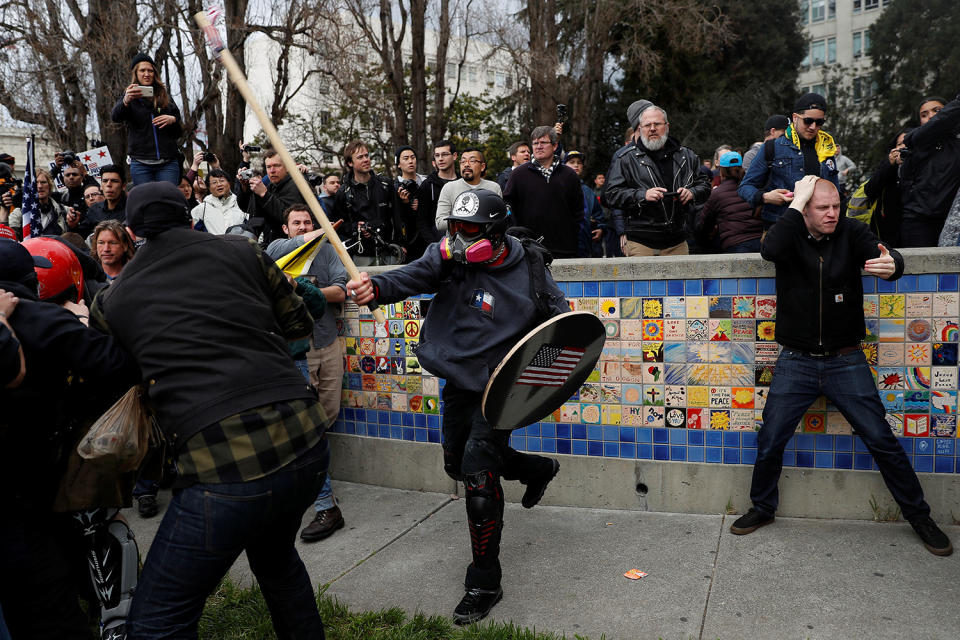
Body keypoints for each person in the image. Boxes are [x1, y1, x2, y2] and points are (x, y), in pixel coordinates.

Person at [91, 181, 330, 638]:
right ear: (189, 214)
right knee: (278, 563)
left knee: (158, 621)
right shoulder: (245, 253)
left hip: (222, 466)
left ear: (131, 230)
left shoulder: (112, 301)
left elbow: (112, 373)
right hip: (305, 441)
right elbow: (300, 322)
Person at [345, 189, 566, 625]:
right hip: (460, 378)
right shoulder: (446, 257)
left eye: (472, 231)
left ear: (496, 232)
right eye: (456, 229)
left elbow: (561, 335)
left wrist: (526, 384)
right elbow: (408, 277)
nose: (461, 239)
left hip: (500, 388)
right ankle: (537, 469)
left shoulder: (532, 270)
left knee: (479, 477)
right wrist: (374, 287)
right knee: (457, 463)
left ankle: (484, 581)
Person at [730, 175, 952, 557]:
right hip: (796, 360)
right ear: (805, 206)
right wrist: (797, 204)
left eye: (836, 206)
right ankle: (762, 507)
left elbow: (888, 256)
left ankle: (920, 517)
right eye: (822, 207)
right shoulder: (789, 232)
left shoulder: (851, 231)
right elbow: (771, 251)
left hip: (845, 359)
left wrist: (893, 264)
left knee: (881, 439)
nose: (832, 214)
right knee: (770, 441)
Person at [0, 239, 139, 640]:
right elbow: (119, 366)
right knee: (49, 599)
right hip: (35, 481)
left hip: (29, 482)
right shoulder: (48, 321)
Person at [265, 204, 349, 542]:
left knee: (326, 416)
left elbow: (341, 291)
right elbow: (273, 256)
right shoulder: (275, 250)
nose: (303, 227)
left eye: (308, 222)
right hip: (295, 351)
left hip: (325, 342)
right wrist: (315, 235)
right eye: (296, 223)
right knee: (305, 427)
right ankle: (322, 498)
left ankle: (314, 479)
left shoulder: (328, 251)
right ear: (286, 229)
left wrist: (302, 288)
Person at [603, 104, 710, 256]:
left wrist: (692, 192)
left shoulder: (687, 155)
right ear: (640, 129)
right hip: (640, 242)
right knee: (641, 281)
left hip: (677, 241)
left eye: (657, 124)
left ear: (667, 127)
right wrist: (642, 195)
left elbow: (705, 185)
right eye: (647, 125)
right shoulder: (626, 159)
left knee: (678, 281)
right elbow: (611, 195)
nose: (652, 128)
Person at [738, 93, 840, 229]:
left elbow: (835, 193)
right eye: (808, 121)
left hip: (818, 230)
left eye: (819, 122)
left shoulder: (826, 149)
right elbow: (745, 187)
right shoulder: (772, 147)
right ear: (795, 118)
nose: (813, 127)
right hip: (780, 226)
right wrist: (766, 197)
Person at [503, 125, 583, 258]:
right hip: (528, 249)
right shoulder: (518, 174)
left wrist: (573, 233)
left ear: (555, 146)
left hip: (565, 248)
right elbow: (508, 206)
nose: (539, 146)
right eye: (535, 143)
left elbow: (578, 211)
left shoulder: (569, 175)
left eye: (543, 142)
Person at [111, 52, 182, 186]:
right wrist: (126, 101)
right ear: (136, 73)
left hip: (167, 161)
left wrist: (172, 120)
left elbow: (179, 130)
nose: (147, 74)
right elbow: (115, 117)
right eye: (142, 70)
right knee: (146, 201)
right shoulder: (129, 96)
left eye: (150, 70)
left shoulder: (164, 96)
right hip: (141, 163)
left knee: (168, 200)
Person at [898, 93, 960, 247]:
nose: (931, 117)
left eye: (936, 111)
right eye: (924, 115)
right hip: (919, 222)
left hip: (951, 221)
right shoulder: (917, 139)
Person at [332, 140, 400, 262]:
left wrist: (401, 244)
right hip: (360, 255)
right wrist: (356, 228)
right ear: (350, 163)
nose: (366, 159)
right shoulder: (343, 193)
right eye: (360, 157)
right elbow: (339, 225)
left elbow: (398, 217)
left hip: (389, 251)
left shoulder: (385, 185)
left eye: (367, 155)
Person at [696, 151, 763, 253]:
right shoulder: (756, 187)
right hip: (762, 242)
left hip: (735, 246)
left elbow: (704, 225)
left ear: (721, 171)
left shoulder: (717, 193)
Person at [237, 149, 306, 244]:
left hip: (292, 244)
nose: (272, 171)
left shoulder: (296, 185)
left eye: (276, 166)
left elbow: (288, 217)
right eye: (268, 167)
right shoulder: (271, 186)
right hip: (272, 242)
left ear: (288, 167)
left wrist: (264, 194)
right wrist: (245, 188)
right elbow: (248, 209)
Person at [435, 147, 502, 232]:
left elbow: (499, 220)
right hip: (456, 241)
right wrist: (470, 222)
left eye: (472, 161)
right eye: (463, 161)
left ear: (482, 166)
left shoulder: (494, 188)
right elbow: (440, 223)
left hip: (487, 241)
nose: (466, 164)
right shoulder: (449, 188)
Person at [862, 129, 911, 246]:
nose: (903, 147)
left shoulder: (924, 165)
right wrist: (889, 164)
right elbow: (869, 190)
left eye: (908, 142)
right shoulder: (889, 166)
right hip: (888, 232)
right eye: (899, 144)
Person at [563, 150, 607, 257]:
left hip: (586, 244)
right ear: (563, 165)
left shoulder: (588, 191)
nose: (576, 165)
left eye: (579, 162)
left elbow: (598, 214)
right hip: (563, 244)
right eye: (572, 162)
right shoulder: (557, 187)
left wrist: (601, 228)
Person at [416, 140, 459, 245]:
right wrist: (434, 244)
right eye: (437, 155)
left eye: (444, 154)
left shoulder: (463, 182)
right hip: (437, 243)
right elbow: (422, 220)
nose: (440, 159)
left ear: (454, 156)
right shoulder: (427, 185)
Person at [8, 168, 68, 238]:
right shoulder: (19, 213)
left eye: (43, 182)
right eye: (35, 183)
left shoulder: (64, 211)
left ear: (49, 185)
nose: (39, 186)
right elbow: (11, 238)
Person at [75, 164, 127, 238]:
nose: (108, 184)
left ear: (123, 186)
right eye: (105, 181)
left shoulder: (132, 209)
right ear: (101, 186)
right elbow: (80, 236)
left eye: (114, 181)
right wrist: (73, 225)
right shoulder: (94, 210)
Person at [191, 168, 248, 234]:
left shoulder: (241, 205)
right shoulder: (201, 209)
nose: (219, 184)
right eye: (214, 182)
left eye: (222, 180)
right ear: (209, 188)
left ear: (229, 183)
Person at [394, 146, 427, 259]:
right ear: (398, 164)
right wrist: (406, 204)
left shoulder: (426, 183)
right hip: (408, 242)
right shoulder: (395, 187)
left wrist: (422, 205)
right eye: (406, 158)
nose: (410, 161)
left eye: (413, 157)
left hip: (428, 239)